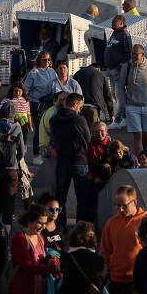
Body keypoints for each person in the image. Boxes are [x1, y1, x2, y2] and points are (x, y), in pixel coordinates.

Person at [49, 93, 92, 228]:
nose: (80, 109)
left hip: (62, 161)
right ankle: (81, 227)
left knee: (60, 197)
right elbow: (88, 139)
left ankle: (61, 226)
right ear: (74, 104)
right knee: (83, 198)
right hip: (79, 160)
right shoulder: (79, 120)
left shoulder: (54, 119)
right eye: (80, 106)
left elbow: (54, 139)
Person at [121, 44, 147, 165]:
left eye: (136, 54)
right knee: (137, 134)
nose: (133, 56)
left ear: (142, 55)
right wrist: (123, 103)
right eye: (132, 54)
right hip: (132, 106)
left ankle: (141, 153)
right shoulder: (126, 66)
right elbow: (120, 87)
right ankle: (140, 161)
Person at [24, 52, 58, 163]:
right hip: (37, 103)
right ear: (39, 60)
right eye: (44, 60)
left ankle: (50, 153)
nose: (47, 62)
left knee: (52, 128)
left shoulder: (52, 71)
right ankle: (36, 155)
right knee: (39, 129)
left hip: (50, 103)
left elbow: (57, 86)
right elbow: (25, 90)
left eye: (48, 60)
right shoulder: (33, 73)